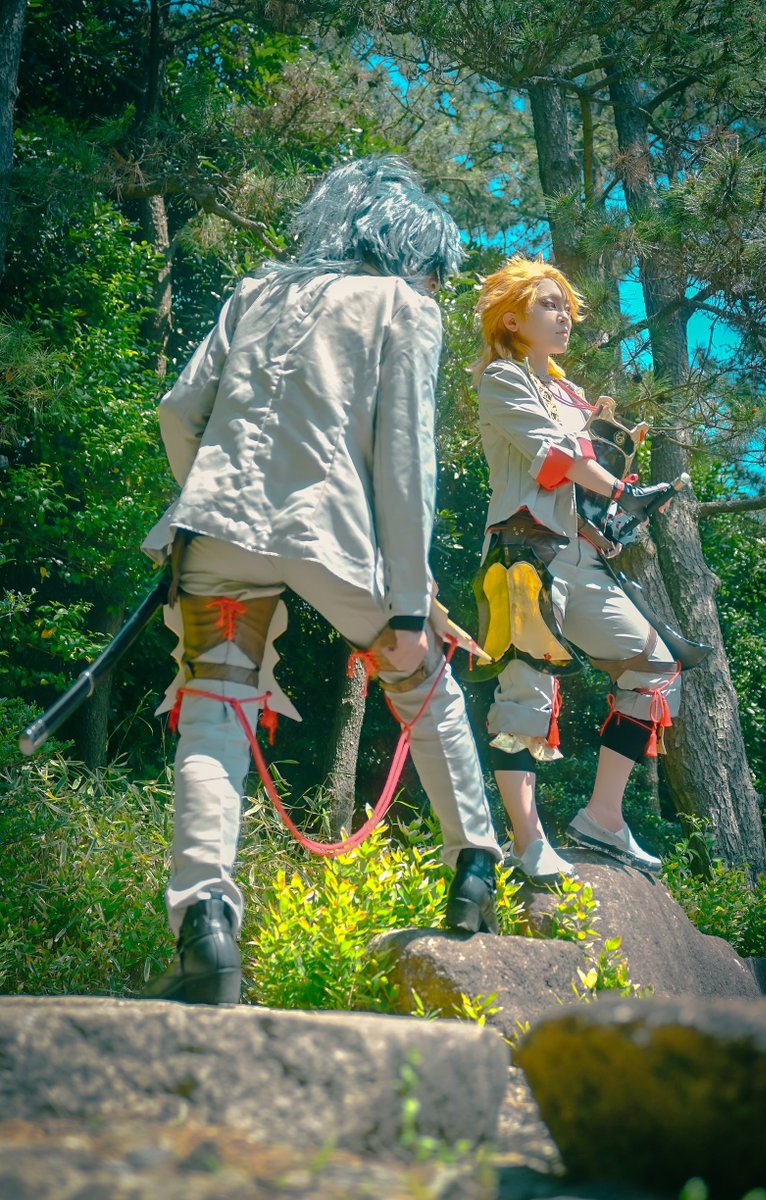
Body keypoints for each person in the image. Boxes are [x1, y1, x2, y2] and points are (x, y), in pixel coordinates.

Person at [140, 156, 503, 1005]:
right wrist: (410, 605)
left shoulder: (257, 291)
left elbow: (178, 411)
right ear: (413, 250)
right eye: (435, 267)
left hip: (219, 537)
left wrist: (208, 500)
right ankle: (475, 867)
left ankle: (205, 930)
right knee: (425, 685)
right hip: (331, 540)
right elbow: (405, 466)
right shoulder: (404, 308)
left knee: (213, 715)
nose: (437, 284)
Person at [472, 256, 683, 884]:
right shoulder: (501, 378)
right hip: (522, 554)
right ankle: (528, 841)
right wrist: (624, 492)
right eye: (548, 304)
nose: (563, 315)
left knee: (654, 666)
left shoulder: (570, 395)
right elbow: (556, 460)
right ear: (512, 319)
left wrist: (605, 522)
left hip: (578, 554)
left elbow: (575, 483)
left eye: (565, 305)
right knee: (525, 694)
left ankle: (603, 818)